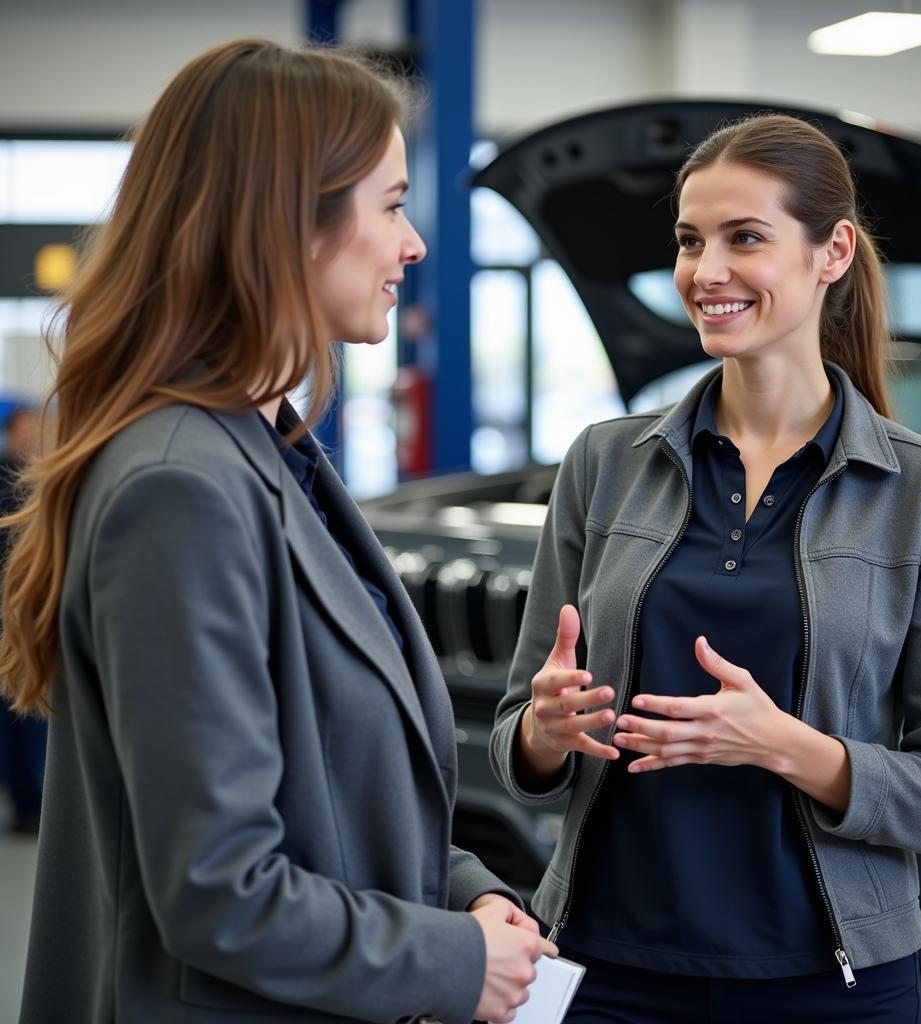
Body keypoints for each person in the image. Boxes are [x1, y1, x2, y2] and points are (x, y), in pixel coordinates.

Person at [0, 38, 556, 1024]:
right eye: (390, 204)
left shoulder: (269, 451)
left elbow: (337, 788)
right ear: (291, 224)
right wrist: (451, 957)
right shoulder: (181, 487)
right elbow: (219, 889)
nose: (413, 242)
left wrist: (465, 889)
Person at [490, 113, 921, 1024]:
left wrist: (781, 745)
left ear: (832, 251)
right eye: (690, 241)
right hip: (607, 968)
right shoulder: (603, 463)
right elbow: (516, 743)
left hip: (831, 984)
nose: (705, 272)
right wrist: (544, 729)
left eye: (745, 238)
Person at [0, 406, 46, 835]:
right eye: (24, 432)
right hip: (7, 611)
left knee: (31, 715)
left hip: (30, 611)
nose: (31, 439)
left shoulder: (47, 482)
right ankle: (23, 801)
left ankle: (34, 803)